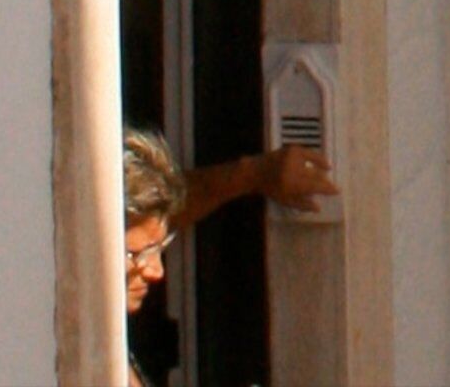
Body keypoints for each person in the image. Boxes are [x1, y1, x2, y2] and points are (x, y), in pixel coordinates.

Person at [121, 126, 341, 382]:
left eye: (160, 248)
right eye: (138, 254)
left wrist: (252, 175)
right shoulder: (76, 350)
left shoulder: (108, 345)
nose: (157, 271)